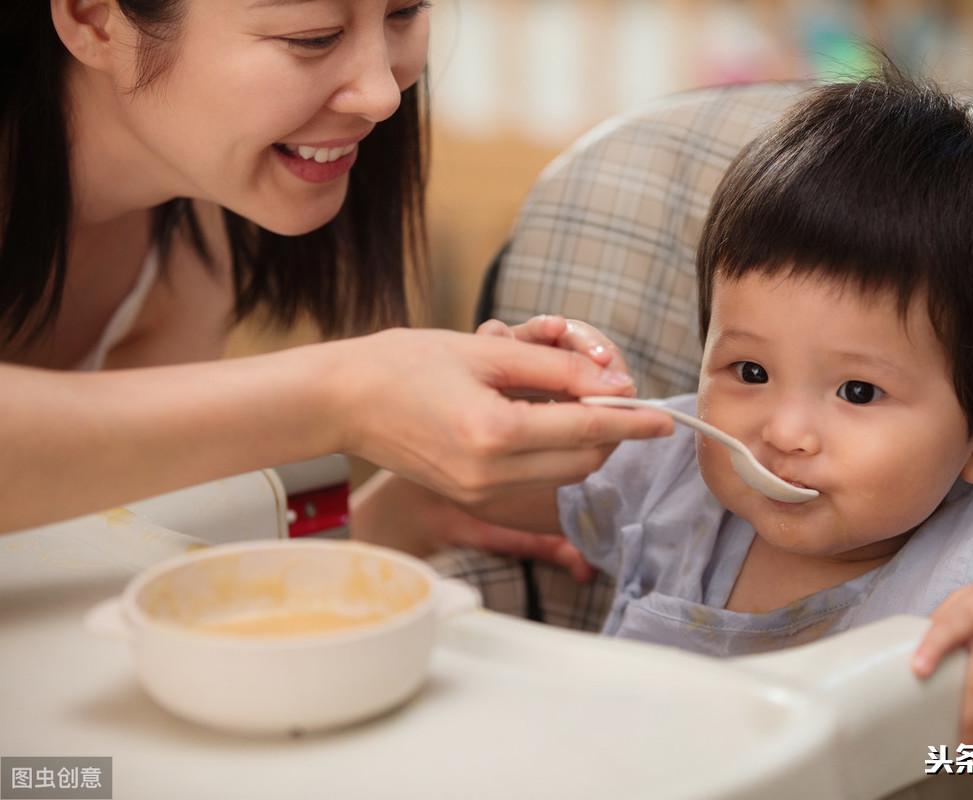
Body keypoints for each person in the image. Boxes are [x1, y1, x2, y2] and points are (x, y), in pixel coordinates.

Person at [461, 69, 973, 794]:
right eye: (749, 371)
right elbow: (481, 485)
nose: (783, 431)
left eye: (857, 391)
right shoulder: (674, 467)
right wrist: (521, 414)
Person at [0, 1, 672, 535]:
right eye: (313, 36)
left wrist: (395, 523)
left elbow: (119, 541)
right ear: (94, 19)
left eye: (405, 12)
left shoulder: (194, 218)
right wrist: (344, 396)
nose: (382, 95)